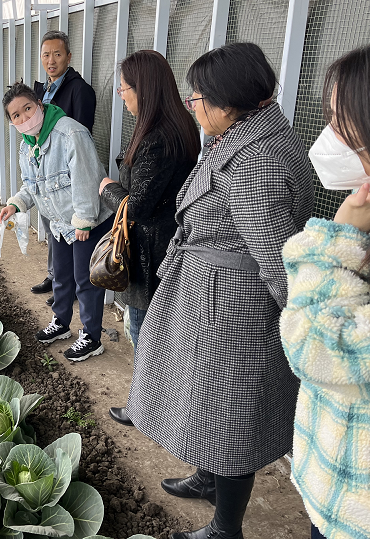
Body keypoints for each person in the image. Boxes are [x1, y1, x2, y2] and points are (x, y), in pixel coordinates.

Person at [122, 43, 314, 539]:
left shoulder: (257, 162)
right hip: (213, 295)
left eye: (198, 97)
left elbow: (276, 260)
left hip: (235, 310)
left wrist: (303, 328)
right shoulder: (248, 133)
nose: (193, 104)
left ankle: (226, 528)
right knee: (208, 404)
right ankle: (208, 476)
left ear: (228, 103)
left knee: (230, 417)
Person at [280, 40, 370, 539]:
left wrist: (338, 237)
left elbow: (315, 347)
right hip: (345, 485)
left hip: (363, 509)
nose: (330, 138)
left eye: (344, 125)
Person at [98, 50, 200, 428]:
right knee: (154, 330)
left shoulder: (158, 137)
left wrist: (108, 189)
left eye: (124, 88)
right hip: (165, 243)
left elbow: (138, 206)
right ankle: (155, 404)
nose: (121, 95)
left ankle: (146, 410)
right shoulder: (178, 125)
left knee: (144, 330)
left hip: (151, 251)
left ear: (144, 89)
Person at [0, 82, 113, 362]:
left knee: (86, 281)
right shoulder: (27, 147)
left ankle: (92, 336)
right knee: (61, 276)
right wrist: (15, 204)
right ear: (12, 122)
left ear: (40, 104)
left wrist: (84, 220)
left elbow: (87, 179)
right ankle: (61, 323)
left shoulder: (70, 133)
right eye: (16, 115)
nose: (24, 118)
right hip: (59, 223)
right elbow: (31, 186)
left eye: (28, 109)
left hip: (86, 222)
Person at [30, 30, 97, 307]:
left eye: (57, 54)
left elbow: (82, 135)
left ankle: (68, 287)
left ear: (69, 57)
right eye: (46, 55)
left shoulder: (80, 90)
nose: (51, 60)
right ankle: (55, 276)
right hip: (46, 172)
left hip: (67, 178)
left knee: (71, 232)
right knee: (53, 228)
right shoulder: (42, 90)